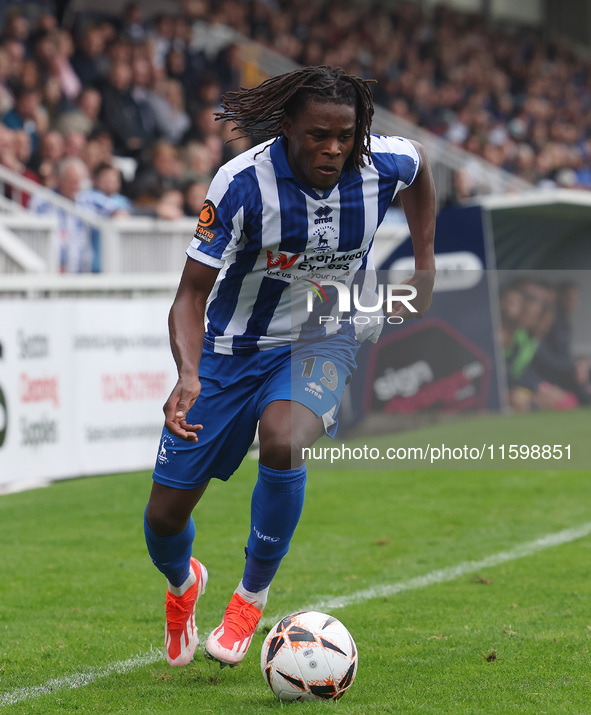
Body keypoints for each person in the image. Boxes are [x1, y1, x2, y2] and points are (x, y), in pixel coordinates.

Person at [143, 66, 436, 669]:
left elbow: (422, 165)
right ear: (285, 128)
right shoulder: (241, 185)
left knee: (282, 441)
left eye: (346, 135)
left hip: (322, 337)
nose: (334, 149)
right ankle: (183, 585)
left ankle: (251, 596)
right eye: (317, 136)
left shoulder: (385, 162)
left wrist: (424, 262)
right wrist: (188, 375)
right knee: (163, 519)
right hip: (229, 354)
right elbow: (190, 295)